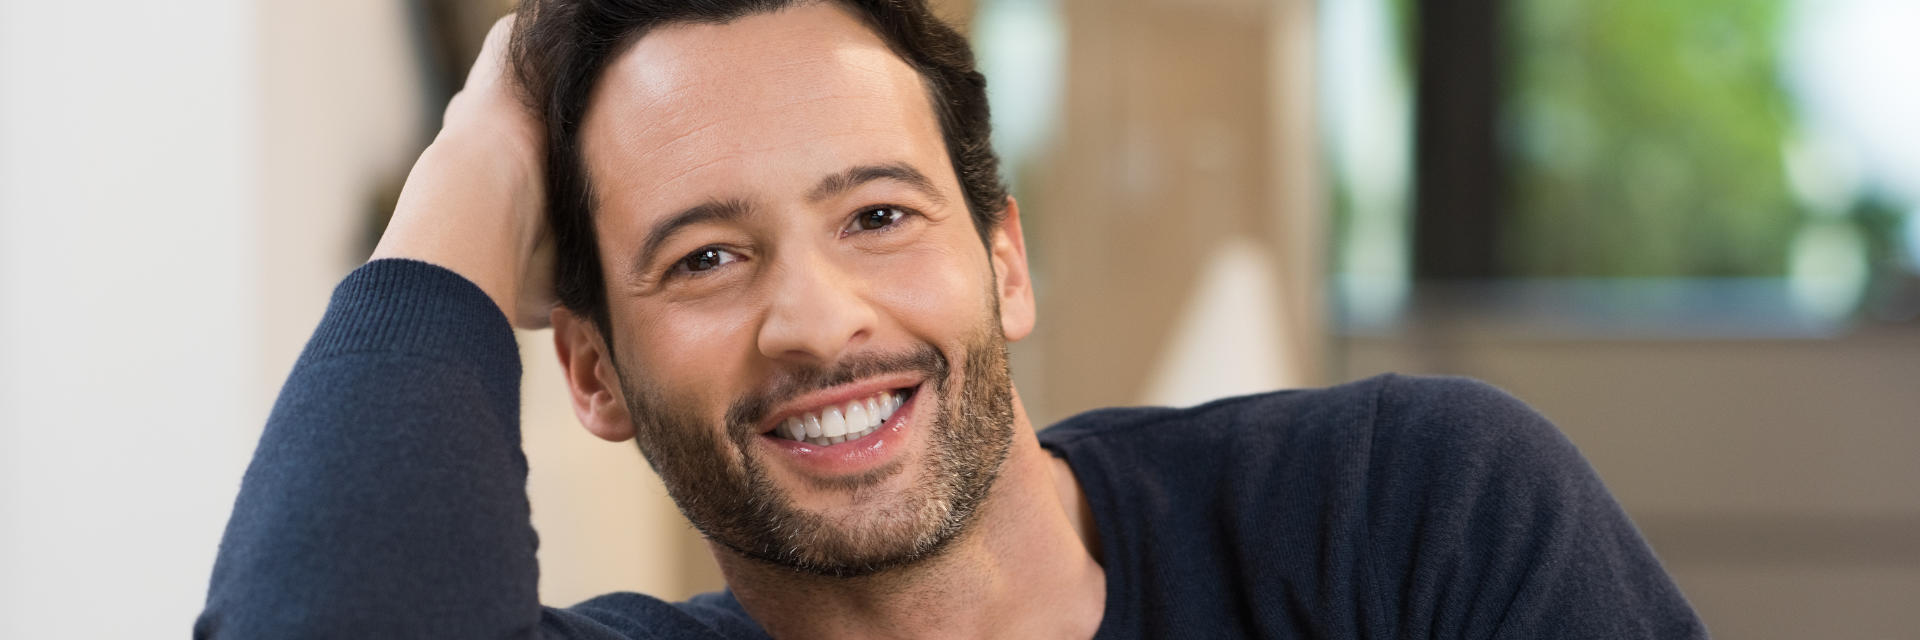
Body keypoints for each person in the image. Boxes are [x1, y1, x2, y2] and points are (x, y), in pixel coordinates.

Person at [197, 0, 1708, 637]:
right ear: (591, 371)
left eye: (877, 215)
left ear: (1005, 262)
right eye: (706, 260)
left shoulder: (1399, 521)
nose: (815, 318)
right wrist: (476, 166)